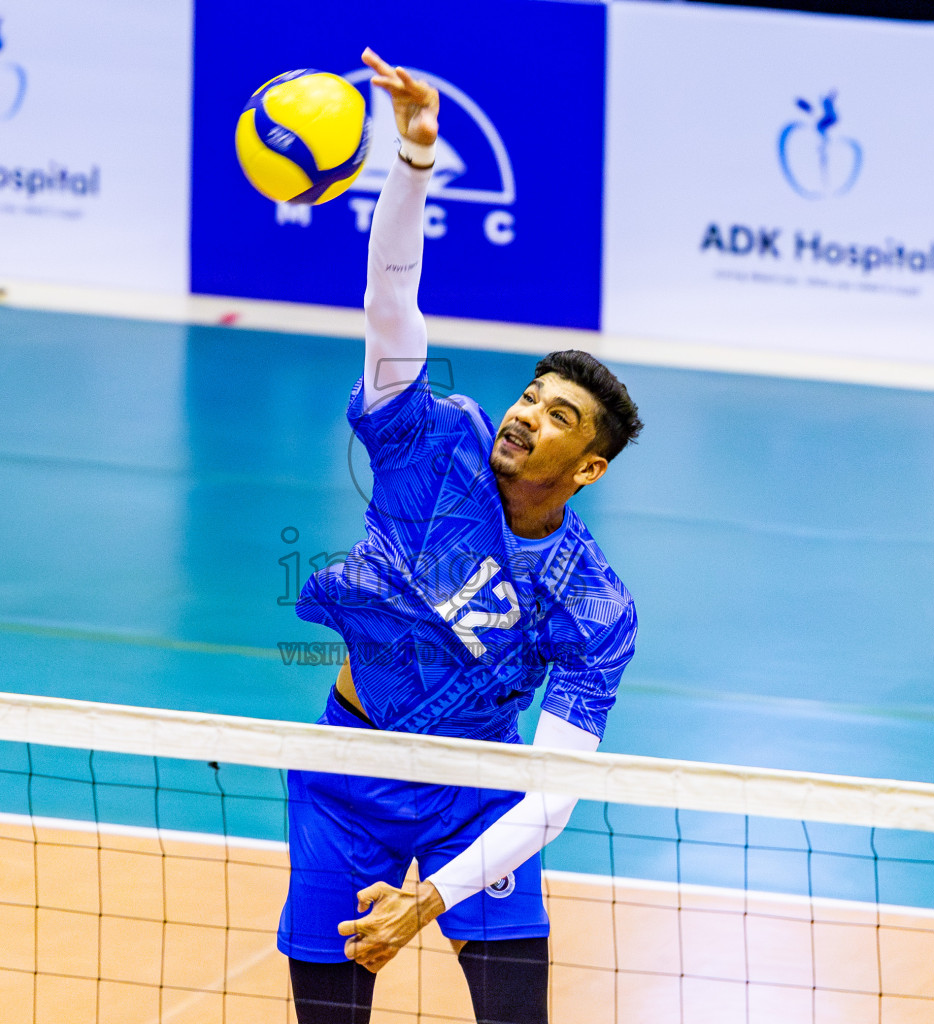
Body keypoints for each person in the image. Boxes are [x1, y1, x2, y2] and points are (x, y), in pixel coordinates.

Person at [277, 48, 643, 1024]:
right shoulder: (430, 437)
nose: (529, 413)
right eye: (533, 393)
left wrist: (431, 899)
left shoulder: (591, 601)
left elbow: (555, 796)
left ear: (589, 467)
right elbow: (388, 301)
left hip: (481, 786)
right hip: (347, 774)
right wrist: (415, 157)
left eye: (561, 415)